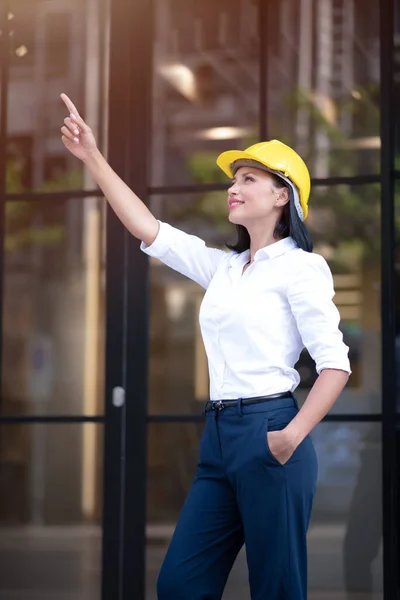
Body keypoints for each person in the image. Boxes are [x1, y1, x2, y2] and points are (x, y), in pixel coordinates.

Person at [60, 93, 351, 600]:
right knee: (180, 585)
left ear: (283, 196)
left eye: (248, 179)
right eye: (233, 179)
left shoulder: (302, 268)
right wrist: (93, 158)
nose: (233, 188)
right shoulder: (224, 268)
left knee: (277, 590)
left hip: (270, 433)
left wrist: (290, 437)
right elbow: (147, 227)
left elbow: (335, 365)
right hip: (218, 439)